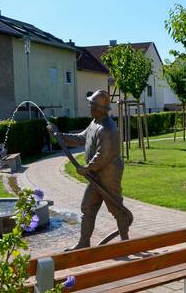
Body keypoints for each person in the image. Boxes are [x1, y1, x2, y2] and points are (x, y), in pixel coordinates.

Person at [47, 89, 131, 250]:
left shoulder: (108, 128)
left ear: (99, 108)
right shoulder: (95, 123)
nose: (89, 108)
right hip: (96, 174)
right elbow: (81, 138)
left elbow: (104, 154)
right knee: (88, 206)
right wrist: (60, 135)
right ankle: (84, 242)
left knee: (116, 207)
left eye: (91, 105)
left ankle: (126, 242)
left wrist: (87, 168)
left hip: (108, 174)